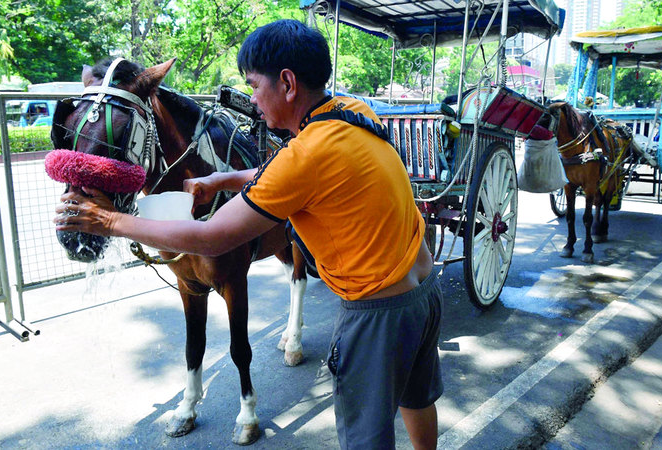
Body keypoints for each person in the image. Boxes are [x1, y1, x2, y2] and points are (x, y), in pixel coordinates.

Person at [55, 19, 443, 450]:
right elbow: (282, 175)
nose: (253, 100)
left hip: (379, 314)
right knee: (416, 397)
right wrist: (221, 180)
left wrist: (109, 222)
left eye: (255, 86)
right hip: (423, 290)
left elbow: (215, 237)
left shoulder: (305, 156)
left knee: (366, 439)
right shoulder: (349, 114)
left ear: (288, 84)